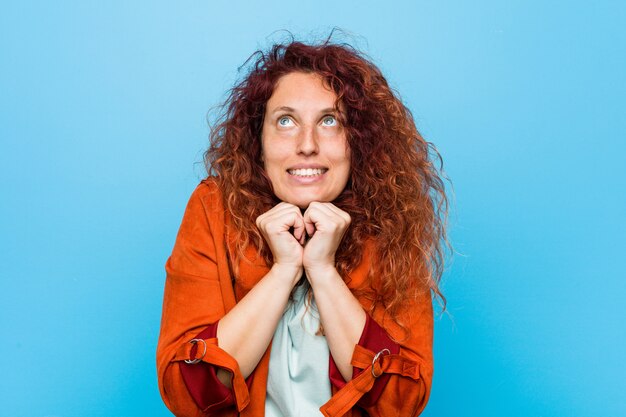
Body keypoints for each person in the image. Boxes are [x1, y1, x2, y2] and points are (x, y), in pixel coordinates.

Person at [157, 36, 449, 417]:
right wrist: (284, 271)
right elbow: (185, 391)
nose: (307, 144)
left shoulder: (391, 219)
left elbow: (400, 403)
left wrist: (323, 271)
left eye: (329, 121)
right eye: (285, 121)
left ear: (358, 141)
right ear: (258, 140)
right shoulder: (214, 207)